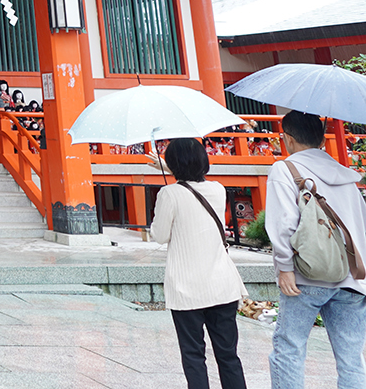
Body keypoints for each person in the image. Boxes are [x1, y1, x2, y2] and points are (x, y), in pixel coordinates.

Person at [266, 110, 366, 389]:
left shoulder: (285, 169)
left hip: (307, 275)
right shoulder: (346, 175)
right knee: (351, 360)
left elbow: (283, 223)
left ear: (287, 138)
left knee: (290, 348)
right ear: (322, 140)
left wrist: (284, 267)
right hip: (352, 279)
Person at [150, 137, 249, 389]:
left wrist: (170, 177)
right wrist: (175, 171)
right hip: (221, 285)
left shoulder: (169, 194)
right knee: (228, 355)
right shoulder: (218, 188)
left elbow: (159, 235)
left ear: (173, 164)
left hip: (187, 288)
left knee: (194, 355)